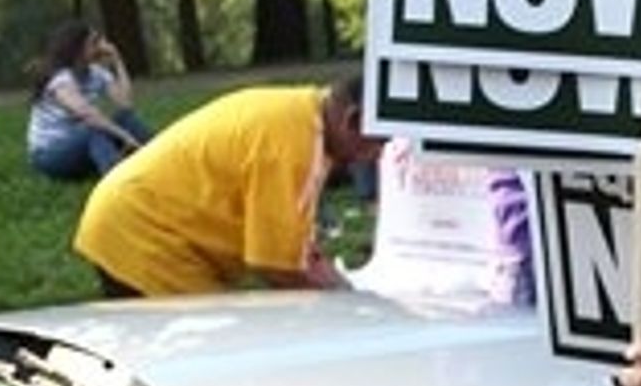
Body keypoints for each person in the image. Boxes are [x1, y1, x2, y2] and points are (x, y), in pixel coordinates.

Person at [73, 73, 383, 296]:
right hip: (145, 233)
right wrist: (346, 308)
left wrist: (339, 287)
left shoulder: (301, 113)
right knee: (215, 345)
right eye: (379, 142)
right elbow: (278, 267)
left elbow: (295, 250)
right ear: (352, 121)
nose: (375, 156)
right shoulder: (296, 148)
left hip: (126, 217)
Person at [26, 19, 153, 179]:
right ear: (77, 50)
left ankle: (158, 157)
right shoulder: (60, 79)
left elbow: (125, 104)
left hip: (83, 146)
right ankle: (119, 180)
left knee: (124, 118)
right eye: (94, 42)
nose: (101, 46)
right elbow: (89, 115)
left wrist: (117, 61)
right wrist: (125, 137)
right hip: (49, 155)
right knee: (93, 130)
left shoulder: (96, 73)